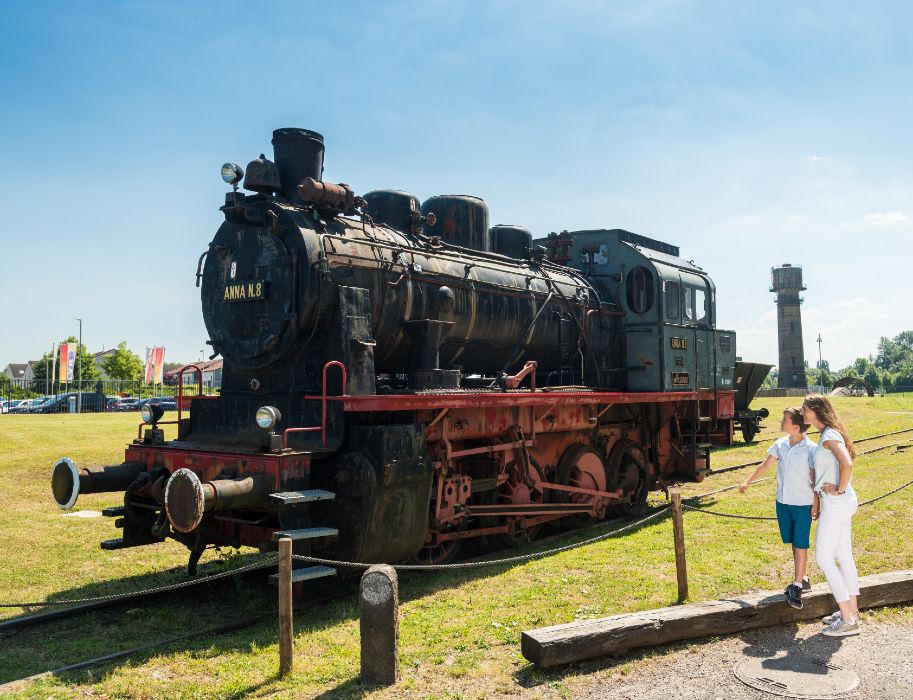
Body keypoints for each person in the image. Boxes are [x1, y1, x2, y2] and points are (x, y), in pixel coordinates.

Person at [739, 407, 815, 609]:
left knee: (801, 542)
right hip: (783, 502)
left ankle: (797, 587)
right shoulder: (780, 444)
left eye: (785, 419)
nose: (781, 422)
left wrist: (817, 501)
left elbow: (816, 476)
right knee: (794, 541)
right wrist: (748, 481)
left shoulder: (811, 449)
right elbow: (766, 465)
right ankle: (803, 577)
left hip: (802, 503)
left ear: (796, 427)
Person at [801, 393, 861, 637]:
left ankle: (847, 620)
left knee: (824, 558)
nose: (802, 413)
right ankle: (852, 612)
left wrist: (839, 489)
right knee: (844, 556)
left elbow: (847, 463)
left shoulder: (829, 436)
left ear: (816, 410)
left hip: (838, 502)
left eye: (805, 409)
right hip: (839, 502)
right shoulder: (826, 434)